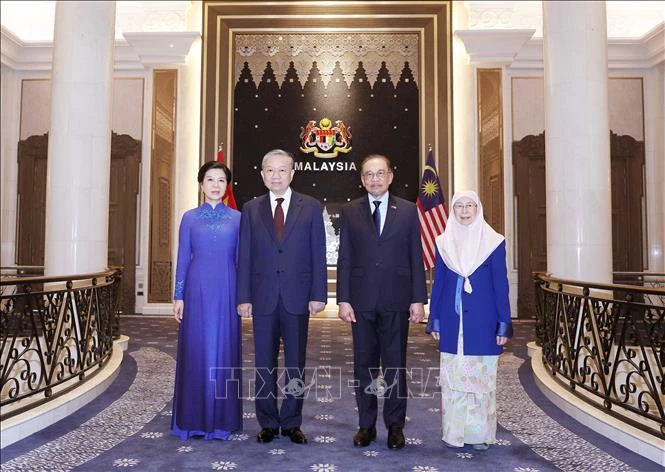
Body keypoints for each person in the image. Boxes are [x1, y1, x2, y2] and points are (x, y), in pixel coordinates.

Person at [336, 154, 427, 450]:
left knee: (395, 366)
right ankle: (366, 425)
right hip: (360, 302)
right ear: (362, 179)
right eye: (369, 174)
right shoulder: (350, 211)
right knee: (363, 365)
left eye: (380, 173)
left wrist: (418, 299)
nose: (375, 179)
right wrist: (343, 299)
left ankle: (395, 426)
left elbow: (416, 256)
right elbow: (345, 257)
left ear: (390, 176)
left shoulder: (410, 211)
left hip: (397, 299)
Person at [236, 149, 327, 445]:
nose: (276, 176)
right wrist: (243, 296)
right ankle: (267, 422)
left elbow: (317, 253)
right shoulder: (250, 209)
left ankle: (291, 421)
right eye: (270, 170)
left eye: (282, 170)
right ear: (262, 175)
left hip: (297, 297)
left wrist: (319, 294)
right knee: (263, 363)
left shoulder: (311, 207)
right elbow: (245, 256)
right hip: (262, 298)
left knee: (296, 363)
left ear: (292, 173)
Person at [426, 190, 513, 451]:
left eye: (470, 206)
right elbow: (439, 284)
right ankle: (454, 433)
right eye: (459, 206)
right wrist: (435, 320)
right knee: (453, 380)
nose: (464, 211)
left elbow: (501, 284)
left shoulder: (494, 242)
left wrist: (503, 323)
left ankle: (479, 435)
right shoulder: (443, 242)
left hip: (484, 323)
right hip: (453, 322)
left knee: (481, 381)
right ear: (452, 211)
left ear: (478, 209)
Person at [171, 161, 242, 440]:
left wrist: (243, 297)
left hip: (227, 290)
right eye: (210, 179)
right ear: (201, 184)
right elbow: (183, 258)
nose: (215, 185)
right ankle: (192, 421)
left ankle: (222, 422)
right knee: (196, 351)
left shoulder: (238, 218)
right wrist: (179, 295)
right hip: (196, 291)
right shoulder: (189, 217)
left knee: (224, 351)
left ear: (227, 186)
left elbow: (241, 260)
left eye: (221, 180)